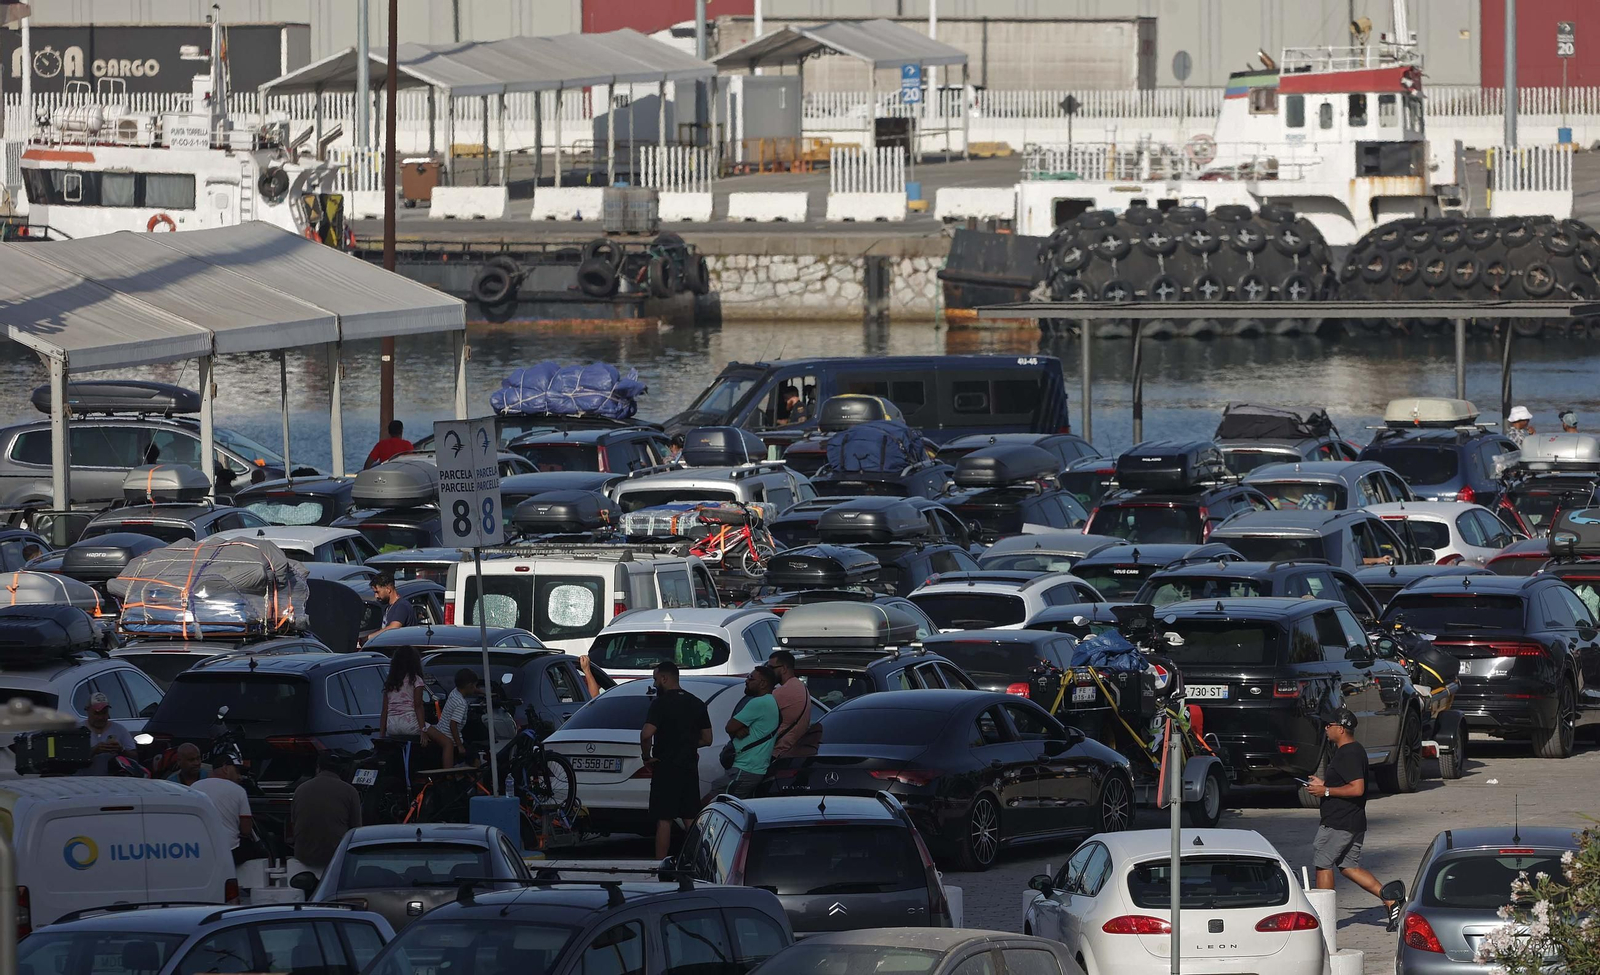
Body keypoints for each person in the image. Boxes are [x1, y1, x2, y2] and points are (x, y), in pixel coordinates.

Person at [1306, 708, 1406, 932]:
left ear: (1340, 729)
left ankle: (1325, 921)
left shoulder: (1347, 753)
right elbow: (1348, 781)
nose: (1326, 729)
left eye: (1328, 725)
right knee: (1348, 866)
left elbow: (1357, 788)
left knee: (1323, 864)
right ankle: (1392, 901)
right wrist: (1324, 783)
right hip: (1353, 821)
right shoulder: (1355, 750)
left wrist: (1326, 791)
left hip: (1339, 822)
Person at [640, 661, 712, 859]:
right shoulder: (697, 703)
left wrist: (646, 756)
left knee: (665, 820)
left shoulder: (660, 704)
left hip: (666, 767)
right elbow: (707, 739)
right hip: (689, 767)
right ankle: (700, 863)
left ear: (665, 678)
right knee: (690, 818)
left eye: (656, 679)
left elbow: (647, 734)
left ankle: (660, 865)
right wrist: (687, 744)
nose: (655, 684)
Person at [288, 751, 362, 879]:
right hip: (337, 854)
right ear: (340, 770)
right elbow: (356, 829)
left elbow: (294, 822)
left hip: (304, 855)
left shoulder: (300, 789)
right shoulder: (350, 791)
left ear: (318, 767)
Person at [720, 666, 780, 799]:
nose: (746, 681)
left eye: (751, 678)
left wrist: (736, 728)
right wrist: (738, 729)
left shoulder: (759, 703)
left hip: (745, 769)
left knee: (712, 803)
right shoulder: (770, 701)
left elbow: (729, 727)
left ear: (763, 683)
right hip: (753, 769)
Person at [380, 645, 452, 752]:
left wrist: (382, 735)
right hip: (411, 724)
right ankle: (447, 768)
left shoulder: (391, 683)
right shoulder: (416, 680)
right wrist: (423, 730)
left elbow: (384, 710)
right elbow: (418, 706)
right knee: (447, 743)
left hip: (392, 727)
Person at [192, 750, 257, 866]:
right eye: (237, 771)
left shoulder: (194, 787)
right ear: (225, 768)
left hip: (198, 850)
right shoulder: (239, 791)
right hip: (230, 851)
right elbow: (246, 830)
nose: (239, 777)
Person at [766, 650, 812, 760]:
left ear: (784, 668)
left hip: (778, 754)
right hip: (791, 752)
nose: (768, 672)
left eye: (771, 668)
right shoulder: (800, 687)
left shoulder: (783, 692)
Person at [80, 692, 135, 776]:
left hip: (112, 783)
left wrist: (121, 750)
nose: (101, 717)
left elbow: (135, 758)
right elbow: (70, 760)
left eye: (104, 713)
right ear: (88, 711)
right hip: (84, 782)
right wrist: (94, 750)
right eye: (97, 713)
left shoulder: (119, 729)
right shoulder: (78, 729)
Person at [437, 668, 479, 769]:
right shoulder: (461, 703)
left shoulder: (454, 692)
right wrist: (460, 746)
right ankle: (476, 780)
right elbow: (453, 725)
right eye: (475, 686)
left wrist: (484, 693)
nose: (475, 688)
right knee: (475, 757)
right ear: (470, 686)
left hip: (441, 733)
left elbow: (472, 690)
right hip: (452, 738)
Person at [365, 573, 415, 642]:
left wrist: (369, 638)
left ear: (388, 589)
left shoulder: (402, 606)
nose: (376, 596)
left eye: (377, 592)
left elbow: (393, 628)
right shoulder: (388, 607)